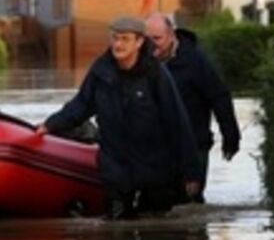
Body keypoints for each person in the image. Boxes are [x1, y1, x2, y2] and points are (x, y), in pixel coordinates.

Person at [36, 16, 201, 219]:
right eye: (115, 38)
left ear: (139, 42)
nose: (118, 44)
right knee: (116, 228)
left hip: (154, 167)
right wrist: (49, 125)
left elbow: (177, 121)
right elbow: (80, 106)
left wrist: (191, 171)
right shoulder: (101, 71)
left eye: (124, 39)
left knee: (156, 231)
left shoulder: (155, 74)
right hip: (116, 167)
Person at [144, 13, 241, 203]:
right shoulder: (142, 62)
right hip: (156, 146)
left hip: (195, 143)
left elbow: (219, 97)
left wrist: (230, 136)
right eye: (147, 39)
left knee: (189, 201)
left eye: (157, 39)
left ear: (171, 34)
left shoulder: (196, 61)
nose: (151, 45)